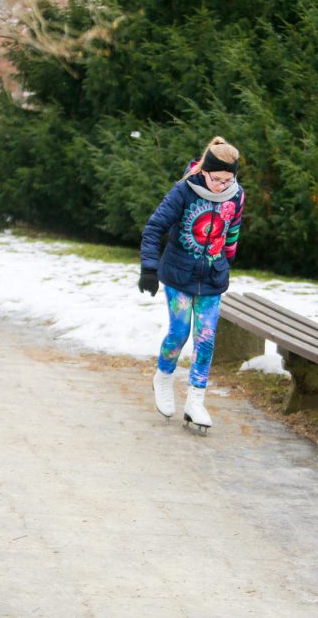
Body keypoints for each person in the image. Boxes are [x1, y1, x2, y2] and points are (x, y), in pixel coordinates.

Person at [138, 137, 246, 432]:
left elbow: (233, 229)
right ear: (204, 171)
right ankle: (163, 376)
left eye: (228, 180)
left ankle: (195, 400)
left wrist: (227, 261)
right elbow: (154, 227)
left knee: (206, 338)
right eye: (216, 179)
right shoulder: (184, 191)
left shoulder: (236, 196)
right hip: (178, 275)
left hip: (212, 277)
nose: (221, 186)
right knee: (179, 331)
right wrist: (149, 268)